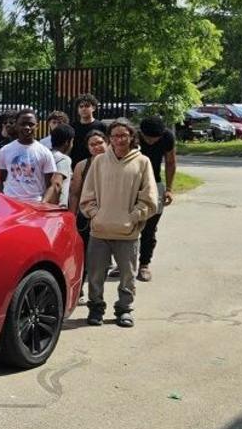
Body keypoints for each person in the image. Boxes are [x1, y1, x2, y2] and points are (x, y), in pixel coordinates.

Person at [78, 118, 158, 328]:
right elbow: (87, 195)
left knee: (127, 276)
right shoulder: (99, 161)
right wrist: (96, 214)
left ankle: (124, 309)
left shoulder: (142, 162)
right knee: (95, 275)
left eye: (123, 135)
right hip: (100, 231)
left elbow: (150, 199)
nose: (119, 140)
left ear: (132, 136)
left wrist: (133, 217)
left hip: (127, 233)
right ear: (109, 139)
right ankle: (96, 308)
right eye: (114, 136)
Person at [68, 129, 107, 303]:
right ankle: (79, 290)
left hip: (109, 217)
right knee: (82, 255)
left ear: (107, 143)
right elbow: (75, 193)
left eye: (100, 142)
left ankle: (96, 295)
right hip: (86, 217)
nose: (97, 147)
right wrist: (72, 216)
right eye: (92, 144)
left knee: (101, 259)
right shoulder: (82, 166)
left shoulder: (117, 164)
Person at [137, 115, 177, 282]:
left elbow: (170, 162)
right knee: (127, 225)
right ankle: (125, 263)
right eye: (148, 139)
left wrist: (168, 189)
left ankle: (144, 264)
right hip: (132, 183)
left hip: (155, 183)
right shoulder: (133, 136)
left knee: (149, 227)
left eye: (155, 139)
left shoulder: (167, 137)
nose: (152, 142)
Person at [0, 110, 61, 202]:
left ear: (37, 126)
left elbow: (50, 185)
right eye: (23, 124)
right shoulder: (5, 150)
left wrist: (43, 203)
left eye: (31, 124)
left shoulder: (45, 152)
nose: (27, 127)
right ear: (16, 126)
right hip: (11, 203)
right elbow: (1, 180)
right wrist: (2, 200)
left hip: (35, 204)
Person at [70, 93, 110, 166]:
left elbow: (108, 145)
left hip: (99, 163)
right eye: (81, 106)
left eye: (87, 106)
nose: (83, 109)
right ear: (77, 109)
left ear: (93, 108)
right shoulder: (72, 127)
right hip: (77, 165)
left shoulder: (101, 126)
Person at [46, 125, 75, 207]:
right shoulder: (63, 159)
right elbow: (57, 185)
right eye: (72, 141)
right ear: (67, 142)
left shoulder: (46, 155)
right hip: (55, 209)